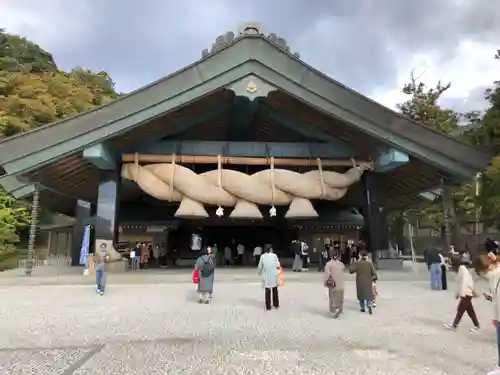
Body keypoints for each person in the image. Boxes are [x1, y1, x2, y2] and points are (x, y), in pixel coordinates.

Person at [474, 253, 500, 375]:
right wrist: (490, 297)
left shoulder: (497, 276)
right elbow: (496, 299)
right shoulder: (493, 277)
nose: (482, 276)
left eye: (481, 273)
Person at [444, 256, 480, 332]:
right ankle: (476, 325)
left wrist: (462, 294)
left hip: (466, 294)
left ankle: (454, 325)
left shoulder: (463, 270)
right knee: (469, 310)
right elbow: (459, 283)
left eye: (450, 262)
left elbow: (464, 283)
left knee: (461, 310)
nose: (449, 264)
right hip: (465, 293)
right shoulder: (459, 270)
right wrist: (457, 293)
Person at [349, 250, 377, 314]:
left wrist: (354, 262)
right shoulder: (369, 263)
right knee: (368, 294)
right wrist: (371, 279)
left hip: (360, 281)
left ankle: (362, 308)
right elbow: (374, 274)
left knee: (361, 295)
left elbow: (351, 271)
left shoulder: (357, 263)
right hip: (368, 281)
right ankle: (369, 304)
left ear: (360, 256)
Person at [258, 246, 281, 310]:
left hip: (266, 276)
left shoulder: (262, 256)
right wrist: (278, 271)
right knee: (275, 290)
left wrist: (259, 273)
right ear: (271, 249)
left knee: (267, 291)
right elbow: (278, 265)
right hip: (274, 275)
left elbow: (260, 266)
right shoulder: (274, 256)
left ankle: (268, 306)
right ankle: (276, 304)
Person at [323, 249, 345, 318]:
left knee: (332, 297)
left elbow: (327, 275)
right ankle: (340, 309)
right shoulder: (341, 263)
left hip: (333, 284)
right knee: (340, 297)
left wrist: (325, 282)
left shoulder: (328, 264)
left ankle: (333, 311)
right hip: (341, 284)